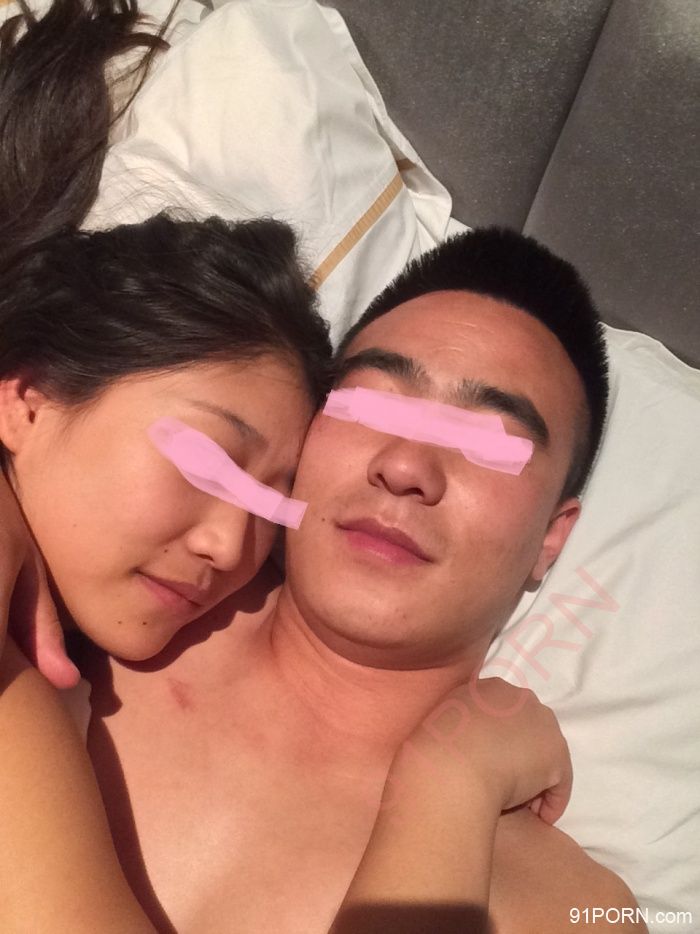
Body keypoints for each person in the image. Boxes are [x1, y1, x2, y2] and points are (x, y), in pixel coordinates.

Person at [2, 229, 645, 932]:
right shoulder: (89, 591)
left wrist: (452, 777)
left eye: (489, 443)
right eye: (370, 404)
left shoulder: (571, 911)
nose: (405, 468)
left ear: (551, 537)